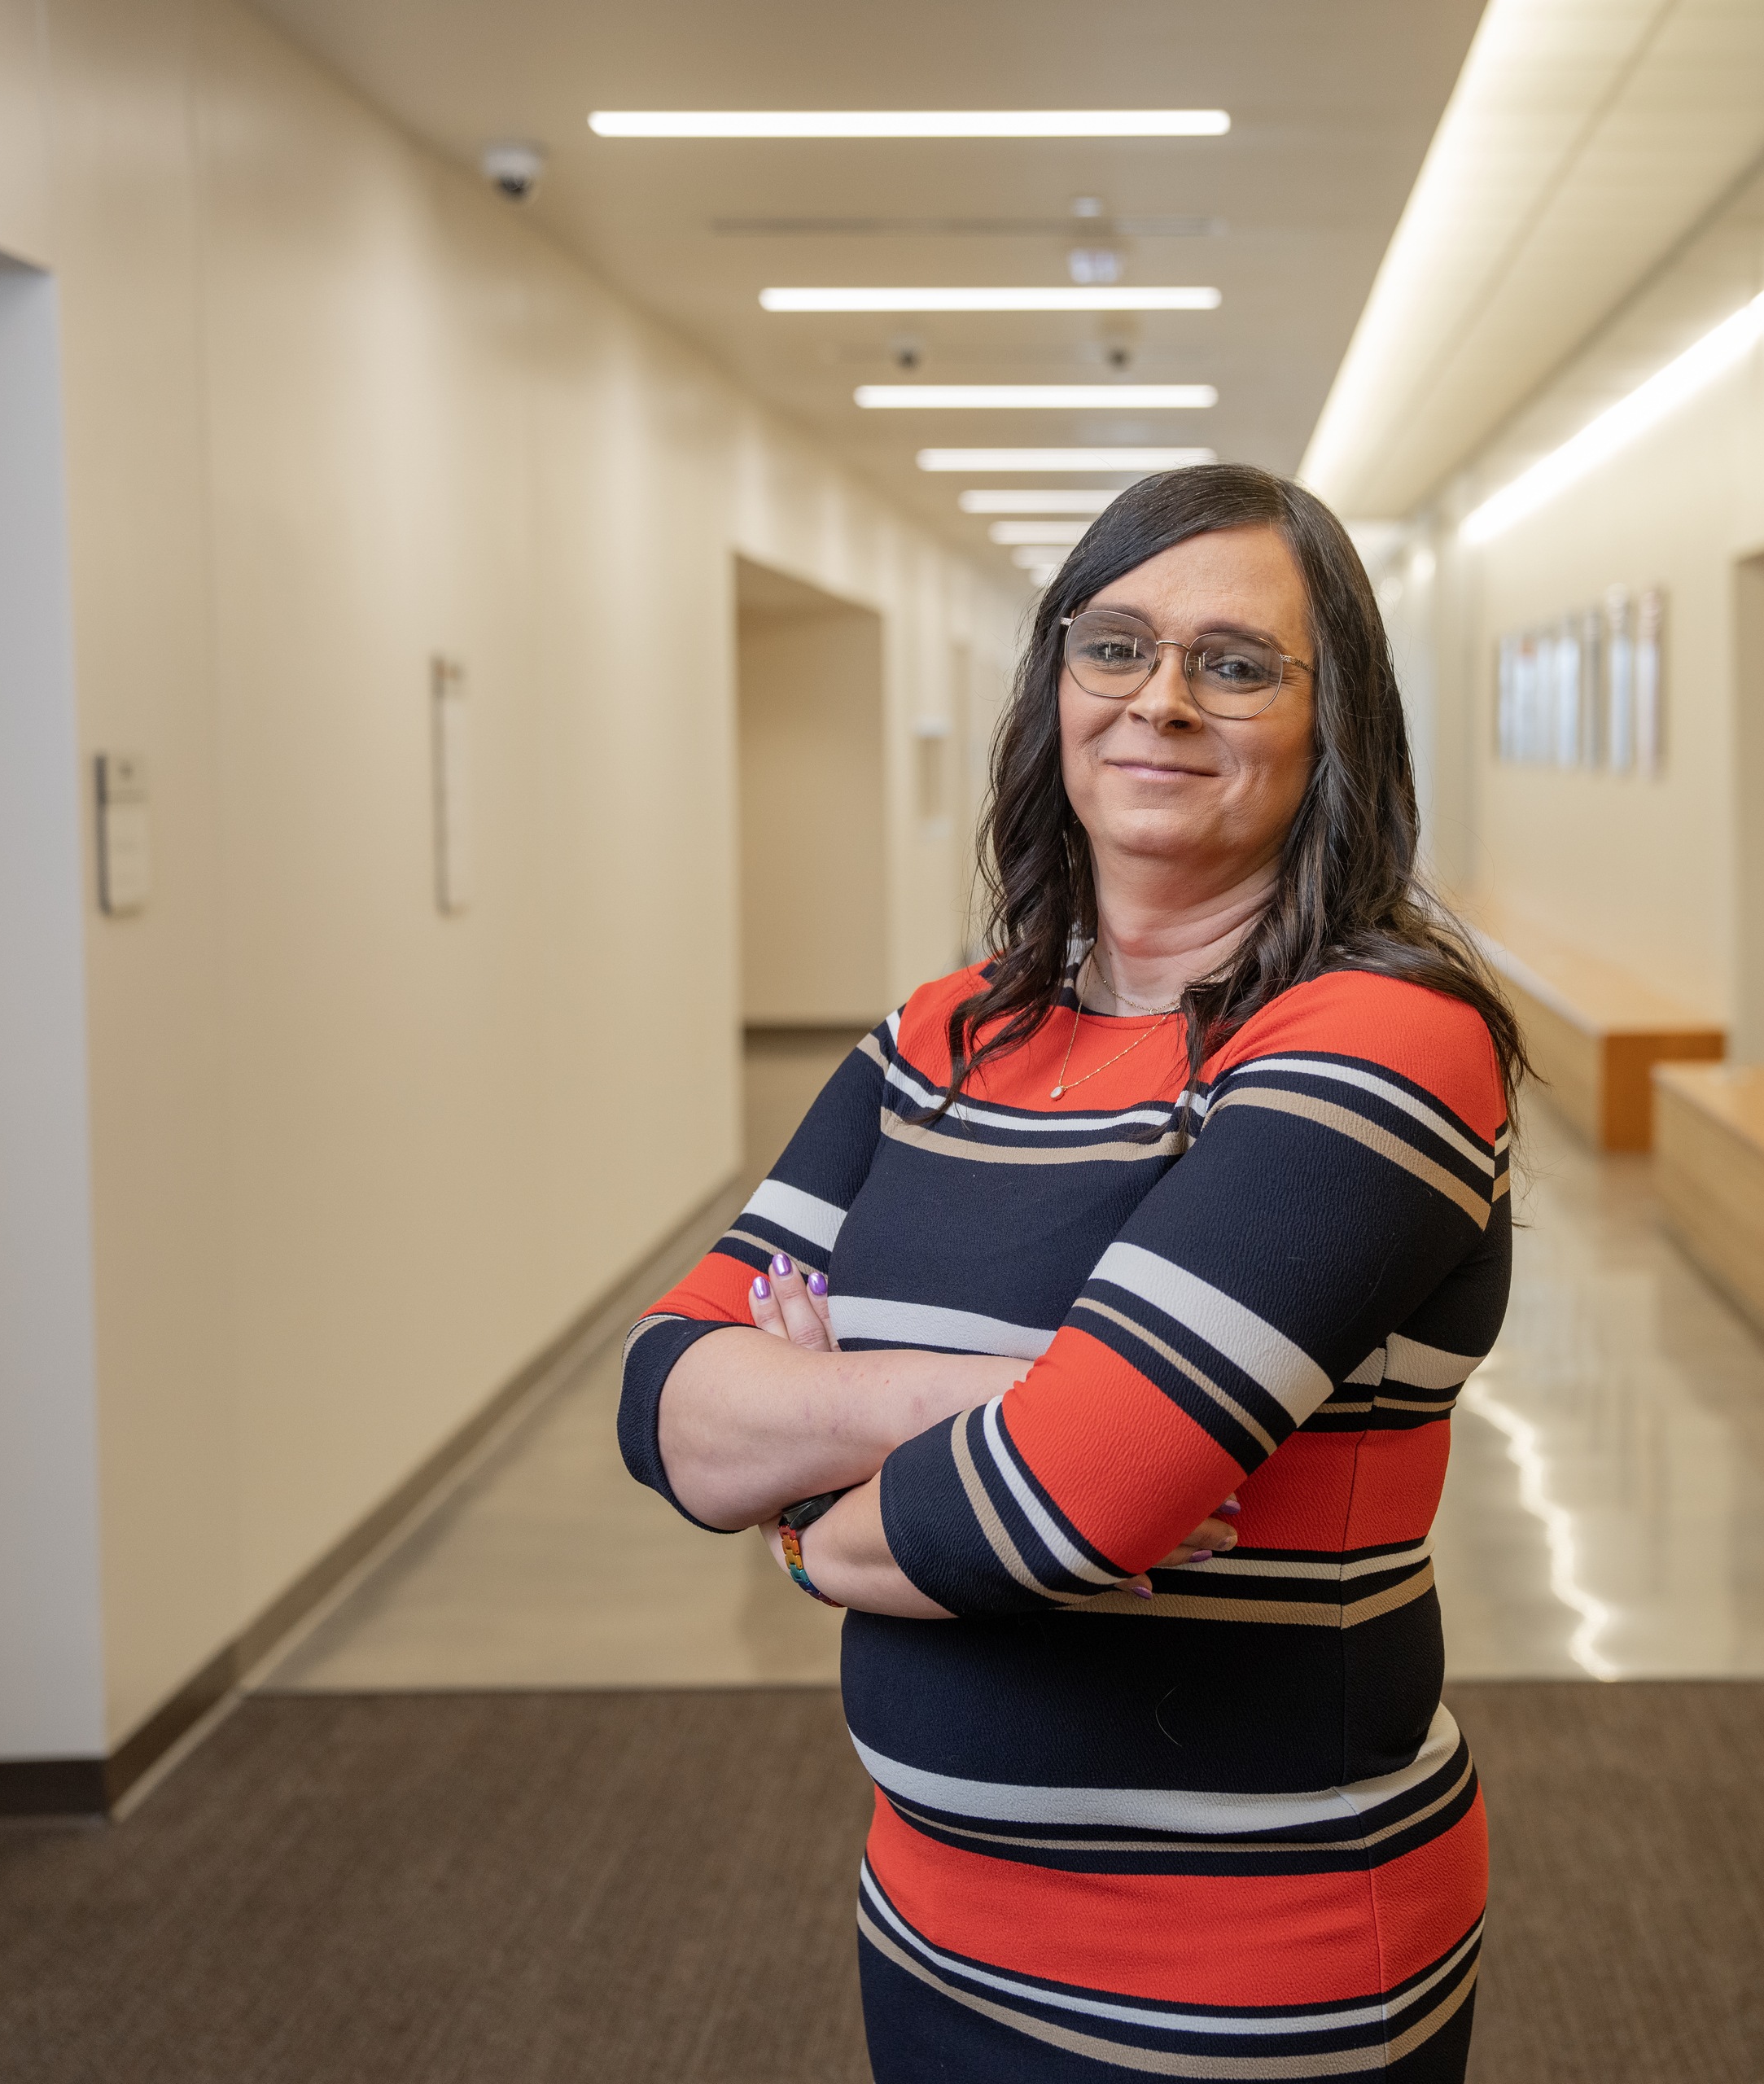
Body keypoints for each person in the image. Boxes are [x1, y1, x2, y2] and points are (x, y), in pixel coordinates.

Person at [617, 462, 1522, 2081]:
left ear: (1335, 723)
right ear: (1055, 689)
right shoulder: (940, 1036)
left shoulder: (1381, 1041)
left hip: (1247, 1969)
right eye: (1114, 646)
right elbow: (663, 1402)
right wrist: (987, 1398)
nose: (1159, 699)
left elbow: (1059, 1507)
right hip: (931, 1922)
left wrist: (805, 1503)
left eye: (1234, 663)